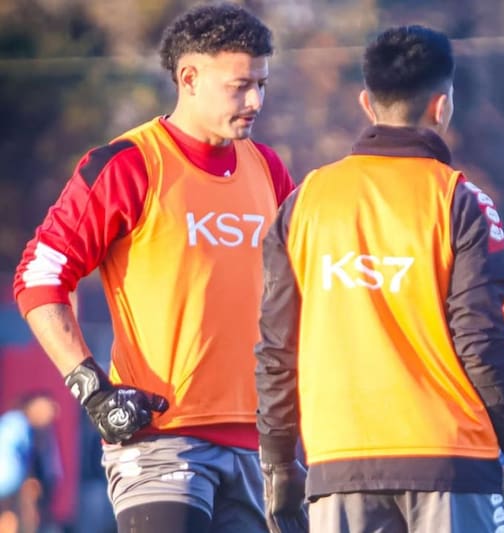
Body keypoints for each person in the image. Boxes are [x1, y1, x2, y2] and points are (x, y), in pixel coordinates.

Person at [254, 24, 504, 533]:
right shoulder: (463, 201)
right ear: (442, 106)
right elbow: (480, 341)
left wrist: (279, 465)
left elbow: (277, 348)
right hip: (449, 461)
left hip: (337, 465)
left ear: (367, 104)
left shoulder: (304, 203)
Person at [13, 3, 295, 532]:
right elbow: (38, 277)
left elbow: (307, 287)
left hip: (261, 445)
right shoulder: (128, 164)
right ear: (189, 78)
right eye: (240, 86)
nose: (256, 100)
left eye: (262, 83)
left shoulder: (269, 168)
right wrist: (93, 390)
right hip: (161, 441)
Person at [0, 393, 62, 533]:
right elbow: (18, 458)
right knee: (11, 517)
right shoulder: (20, 424)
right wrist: (29, 481)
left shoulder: (12, 421)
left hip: (10, 483)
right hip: (10, 484)